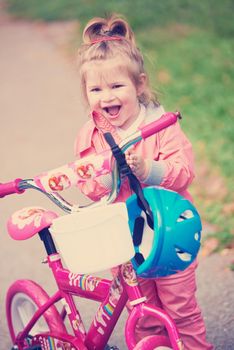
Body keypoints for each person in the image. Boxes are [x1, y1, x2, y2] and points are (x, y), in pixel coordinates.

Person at [74, 13, 213, 350]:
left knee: (180, 308)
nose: (106, 97)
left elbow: (183, 171)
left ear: (138, 84)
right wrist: (107, 175)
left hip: (167, 233)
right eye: (96, 89)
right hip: (125, 241)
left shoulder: (160, 125)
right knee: (144, 310)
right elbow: (85, 181)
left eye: (116, 85)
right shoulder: (92, 135)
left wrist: (149, 170)